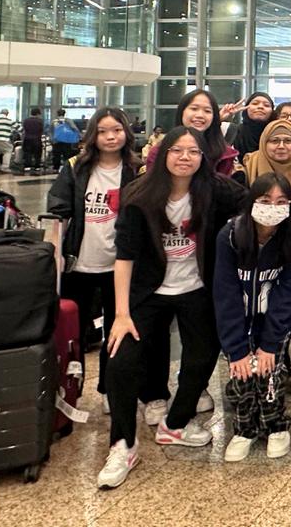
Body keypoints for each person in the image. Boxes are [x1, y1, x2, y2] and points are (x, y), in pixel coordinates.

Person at [99, 126, 247, 489]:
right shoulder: (139, 195)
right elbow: (125, 257)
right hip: (148, 291)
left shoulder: (214, 189)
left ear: (203, 158)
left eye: (193, 152)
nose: (185, 158)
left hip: (196, 288)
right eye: (178, 150)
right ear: (163, 154)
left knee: (203, 355)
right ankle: (123, 444)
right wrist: (121, 314)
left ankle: (175, 424)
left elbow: (256, 201)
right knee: (121, 360)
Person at [213, 173, 291, 462]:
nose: (272, 208)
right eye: (265, 200)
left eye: (281, 202)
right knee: (241, 373)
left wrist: (269, 344)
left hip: (273, 321)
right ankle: (244, 428)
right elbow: (225, 293)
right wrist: (236, 348)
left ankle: (276, 425)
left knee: (271, 371)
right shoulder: (230, 236)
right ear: (252, 201)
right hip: (239, 320)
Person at [49, 107, 140, 408]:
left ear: (126, 133)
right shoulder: (75, 167)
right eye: (102, 131)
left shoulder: (135, 170)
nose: (110, 137)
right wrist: (55, 252)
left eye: (117, 130)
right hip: (79, 264)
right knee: (74, 332)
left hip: (120, 267)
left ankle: (109, 389)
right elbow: (58, 212)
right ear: (92, 135)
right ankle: (70, 388)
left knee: (117, 330)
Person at [146, 89, 239, 178]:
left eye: (207, 111)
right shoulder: (159, 152)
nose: (200, 115)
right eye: (194, 109)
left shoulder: (224, 154)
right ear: (182, 111)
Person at [233, 118, 291, 207]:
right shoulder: (247, 170)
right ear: (264, 143)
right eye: (274, 141)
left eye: (288, 141)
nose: (281, 146)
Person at [227, 93, 275, 160]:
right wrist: (221, 116)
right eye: (255, 103)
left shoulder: (276, 134)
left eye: (266, 105)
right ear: (246, 108)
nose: (260, 107)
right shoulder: (231, 131)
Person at [21, 107, 45, 173]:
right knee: (37, 154)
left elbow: (24, 130)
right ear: (37, 114)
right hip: (37, 139)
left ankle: (27, 167)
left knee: (27, 153)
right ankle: (37, 167)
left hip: (27, 139)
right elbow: (41, 130)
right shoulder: (40, 121)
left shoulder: (26, 120)